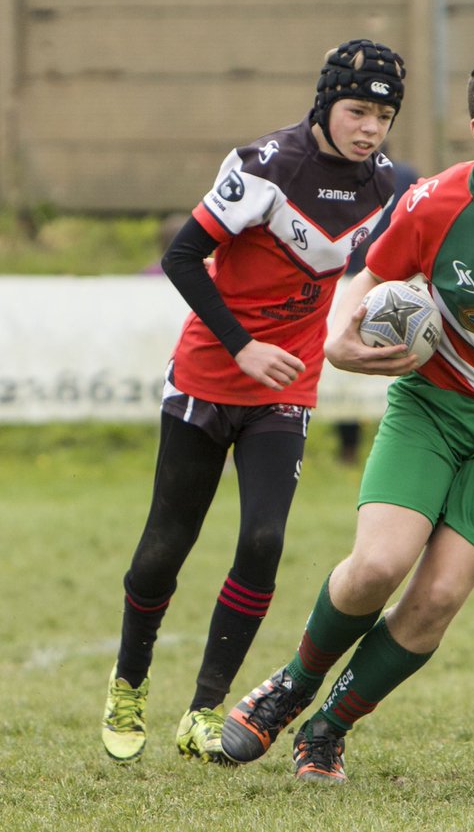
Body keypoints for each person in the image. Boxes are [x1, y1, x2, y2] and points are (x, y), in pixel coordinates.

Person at [219, 54, 474, 784]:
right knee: (376, 566)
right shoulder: (433, 203)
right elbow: (369, 275)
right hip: (431, 405)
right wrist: (341, 334)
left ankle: (328, 728)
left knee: (438, 597)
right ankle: (292, 681)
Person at [100, 38, 406, 764]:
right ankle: (128, 682)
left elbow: (384, 262)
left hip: (286, 386)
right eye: (358, 109)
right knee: (164, 547)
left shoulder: (384, 182)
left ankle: (204, 709)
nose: (370, 126)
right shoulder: (264, 166)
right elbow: (181, 258)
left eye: (384, 115)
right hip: (209, 374)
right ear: (327, 102)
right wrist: (240, 345)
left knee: (265, 542)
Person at [334, 157, 420, 465]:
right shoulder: (336, 175)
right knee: (347, 363)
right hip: (351, 281)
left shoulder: (404, 175)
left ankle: (378, 443)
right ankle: (349, 446)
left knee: (398, 359)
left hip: (392, 284)